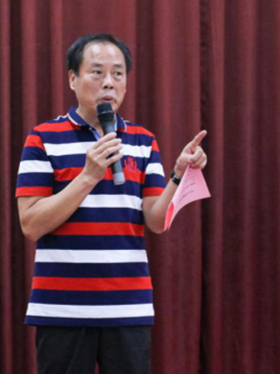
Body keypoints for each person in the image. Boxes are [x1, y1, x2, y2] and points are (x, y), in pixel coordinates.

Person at [16, 33, 207, 374]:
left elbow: (156, 221)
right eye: (97, 72)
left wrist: (178, 175)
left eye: (118, 73)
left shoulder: (143, 141)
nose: (109, 82)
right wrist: (88, 176)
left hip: (127, 306)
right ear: (72, 79)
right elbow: (30, 224)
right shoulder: (42, 138)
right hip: (63, 309)